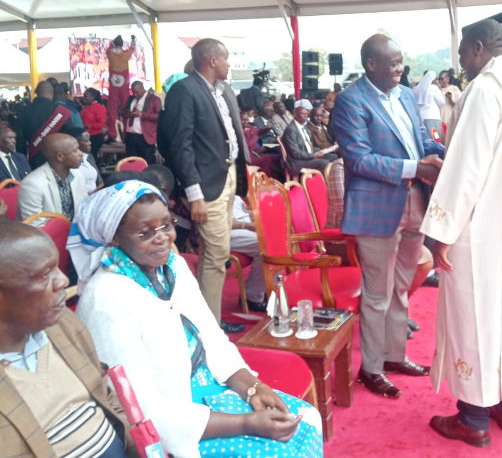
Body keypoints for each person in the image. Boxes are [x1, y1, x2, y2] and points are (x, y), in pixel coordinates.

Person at [69, 182, 323, 458]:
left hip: (208, 384)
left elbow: (211, 336)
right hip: (175, 421)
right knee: (279, 453)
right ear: (114, 237)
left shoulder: (172, 267)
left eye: (167, 225)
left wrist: (252, 387)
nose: (163, 238)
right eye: (145, 232)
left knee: (307, 419)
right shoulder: (105, 298)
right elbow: (140, 410)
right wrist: (246, 423)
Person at [420, 18, 502, 448]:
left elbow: (467, 169)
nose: (460, 63)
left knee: (476, 316)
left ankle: (472, 418)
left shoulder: (486, 89)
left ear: (478, 48)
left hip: (482, 229)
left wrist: (440, 231)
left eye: (461, 54)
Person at [332, 33, 444, 399]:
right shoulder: (351, 101)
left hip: (414, 201)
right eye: (394, 63)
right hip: (377, 208)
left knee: (401, 288)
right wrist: (417, 167)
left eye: (401, 62)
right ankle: (371, 368)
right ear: (371, 65)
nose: (401, 68)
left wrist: (443, 154)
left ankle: (396, 356)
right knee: (377, 293)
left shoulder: (407, 95)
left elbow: (421, 143)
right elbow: (359, 159)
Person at [0, 222, 138, 458]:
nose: (63, 280)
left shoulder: (62, 324)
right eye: (45, 275)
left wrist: (143, 448)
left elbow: (106, 397)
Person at [158, 38, 250, 334]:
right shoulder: (185, 90)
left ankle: (206, 317)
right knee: (216, 253)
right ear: (212, 60)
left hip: (228, 177)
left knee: (217, 254)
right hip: (205, 185)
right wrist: (192, 193)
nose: (228, 65)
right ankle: (208, 325)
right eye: (226, 59)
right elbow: (179, 145)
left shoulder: (225, 91)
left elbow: (231, 135)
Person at [324, 157, 432, 340]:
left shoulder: (381, 164)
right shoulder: (340, 167)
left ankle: (394, 312)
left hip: (376, 230)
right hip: (343, 241)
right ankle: (384, 318)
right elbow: (348, 211)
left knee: (422, 258)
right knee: (394, 257)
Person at [17, 133, 87, 222]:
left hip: (76, 232)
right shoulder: (32, 184)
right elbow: (35, 226)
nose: (81, 153)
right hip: (47, 235)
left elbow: (85, 208)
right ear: (60, 157)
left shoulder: (78, 175)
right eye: (75, 150)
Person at [15, 81, 75, 170]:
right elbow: (71, 135)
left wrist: (23, 163)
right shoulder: (61, 111)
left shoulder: (23, 113)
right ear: (51, 92)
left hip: (34, 160)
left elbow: (20, 142)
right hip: (59, 159)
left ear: (36, 93)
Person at [231, 195, 270, 311]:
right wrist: (247, 225)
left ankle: (265, 291)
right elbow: (215, 224)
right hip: (227, 231)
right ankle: (252, 296)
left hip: (245, 227)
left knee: (277, 238)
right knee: (267, 245)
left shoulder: (231, 187)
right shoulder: (209, 188)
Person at [282, 104, 338, 176]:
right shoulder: (291, 130)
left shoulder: (303, 127)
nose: (306, 116)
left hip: (307, 156)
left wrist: (319, 151)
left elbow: (307, 145)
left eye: (306, 114)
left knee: (334, 157)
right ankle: (318, 184)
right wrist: (314, 156)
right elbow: (296, 153)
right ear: (295, 115)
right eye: (303, 114)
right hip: (298, 161)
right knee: (324, 163)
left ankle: (328, 180)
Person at [106, 35, 137, 143]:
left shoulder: (110, 53)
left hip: (114, 86)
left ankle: (112, 133)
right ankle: (126, 133)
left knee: (112, 110)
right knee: (126, 109)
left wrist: (113, 44)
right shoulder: (126, 54)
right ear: (122, 44)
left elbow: (110, 46)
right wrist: (133, 40)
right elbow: (133, 48)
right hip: (124, 86)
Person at [121, 80, 160, 164]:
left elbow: (158, 116)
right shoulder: (131, 98)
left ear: (142, 89)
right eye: (133, 92)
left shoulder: (154, 99)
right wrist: (126, 113)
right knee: (131, 162)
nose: (135, 95)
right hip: (130, 136)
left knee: (146, 162)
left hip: (145, 137)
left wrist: (141, 114)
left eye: (137, 92)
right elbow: (123, 111)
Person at [240, 111, 281, 180]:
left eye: (247, 120)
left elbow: (260, 131)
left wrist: (268, 128)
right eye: (243, 120)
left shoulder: (250, 128)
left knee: (274, 157)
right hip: (247, 157)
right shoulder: (240, 131)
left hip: (255, 153)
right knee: (266, 160)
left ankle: (275, 179)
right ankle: (264, 180)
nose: (246, 122)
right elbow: (248, 145)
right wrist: (254, 137)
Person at [413, 71, 446, 140]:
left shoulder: (415, 88)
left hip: (420, 118)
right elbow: (442, 102)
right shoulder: (433, 88)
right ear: (433, 80)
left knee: (425, 139)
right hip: (432, 117)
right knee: (435, 139)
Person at [69, 127, 102, 194]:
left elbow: (100, 182)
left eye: (89, 140)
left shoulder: (89, 157)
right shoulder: (69, 161)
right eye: (86, 141)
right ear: (76, 143)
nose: (90, 143)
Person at [80, 88, 108, 166]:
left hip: (95, 137)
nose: (84, 98)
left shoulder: (99, 108)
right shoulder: (85, 107)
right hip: (85, 136)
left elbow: (101, 124)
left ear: (92, 97)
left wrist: (88, 126)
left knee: (92, 157)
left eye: (86, 96)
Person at [437, 70, 462, 134]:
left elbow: (459, 105)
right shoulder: (437, 89)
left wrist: (450, 99)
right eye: (439, 79)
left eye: (442, 79)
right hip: (440, 117)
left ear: (448, 78)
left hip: (450, 117)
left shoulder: (454, 89)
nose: (440, 81)